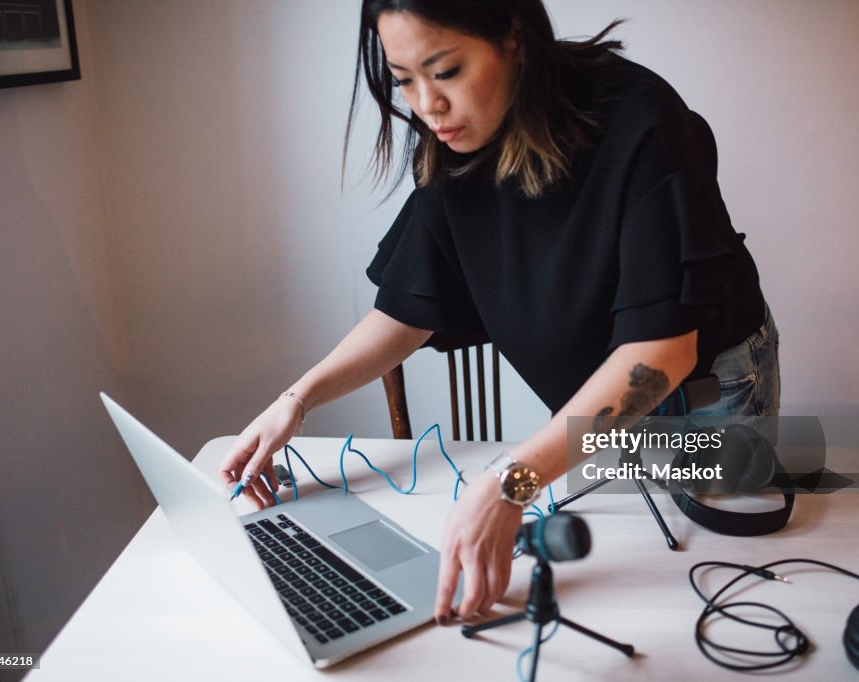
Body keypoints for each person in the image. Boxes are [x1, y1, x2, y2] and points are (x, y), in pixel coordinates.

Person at [220, 0, 780, 628]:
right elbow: (408, 310)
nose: (426, 105)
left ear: (514, 38)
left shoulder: (642, 120)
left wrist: (513, 481)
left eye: (447, 71)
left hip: (705, 394)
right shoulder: (454, 145)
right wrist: (296, 400)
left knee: (719, 576)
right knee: (624, 574)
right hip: (594, 407)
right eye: (404, 79)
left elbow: (662, 355)